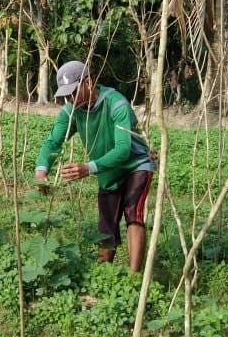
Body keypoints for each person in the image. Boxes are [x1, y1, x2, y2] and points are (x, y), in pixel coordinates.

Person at [34, 61, 155, 272]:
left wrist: (88, 168)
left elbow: (123, 149)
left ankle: (134, 278)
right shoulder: (71, 111)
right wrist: (41, 170)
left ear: (89, 83)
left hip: (135, 165)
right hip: (107, 171)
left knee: (133, 214)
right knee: (106, 227)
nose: (70, 99)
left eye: (73, 92)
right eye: (66, 95)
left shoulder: (116, 103)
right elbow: (53, 142)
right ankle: (102, 274)